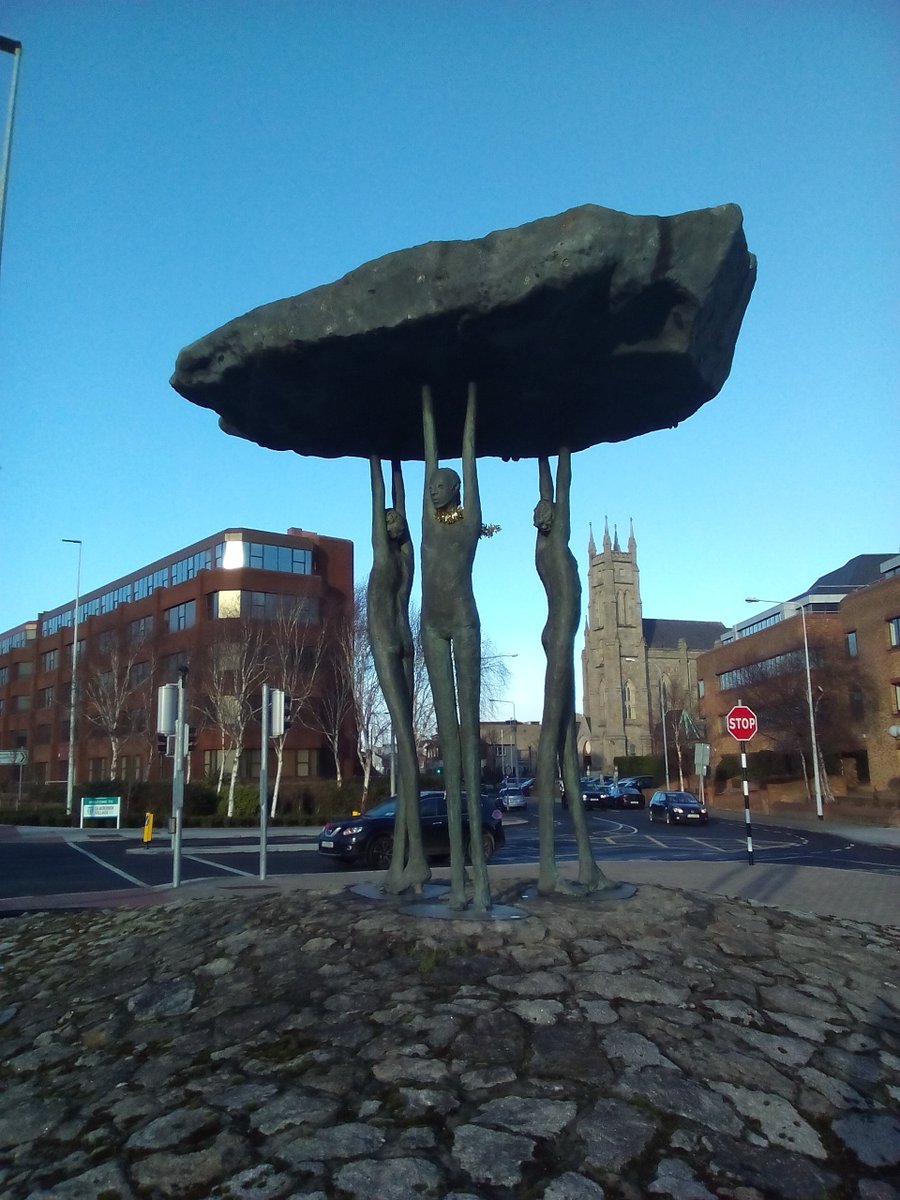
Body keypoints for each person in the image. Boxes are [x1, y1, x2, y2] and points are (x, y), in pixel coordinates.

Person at [420, 382, 491, 912]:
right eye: (434, 485)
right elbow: (431, 453)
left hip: (464, 624)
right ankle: (456, 878)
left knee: (467, 742)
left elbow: (464, 458)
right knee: (447, 739)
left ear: (459, 491)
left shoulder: (467, 522)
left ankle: (481, 878)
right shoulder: (426, 520)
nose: (436, 489)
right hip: (431, 624)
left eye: (444, 485)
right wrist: (427, 401)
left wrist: (467, 401)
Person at [534, 449, 611, 895]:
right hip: (561, 644)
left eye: (547, 510)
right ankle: (549, 869)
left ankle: (586, 864)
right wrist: (557, 448)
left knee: (566, 754)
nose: (546, 513)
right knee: (550, 746)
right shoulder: (551, 544)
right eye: (542, 512)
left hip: (563, 643)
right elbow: (561, 486)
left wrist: (544, 451)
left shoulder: (552, 540)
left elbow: (553, 489)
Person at [368, 457, 429, 894]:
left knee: (407, 740)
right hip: (394, 638)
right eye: (385, 520)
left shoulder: (400, 554)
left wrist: (389, 461)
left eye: (395, 520)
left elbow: (394, 501)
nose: (391, 523)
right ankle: (411, 859)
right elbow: (387, 499)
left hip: (398, 640)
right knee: (405, 741)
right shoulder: (393, 555)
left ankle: (413, 860)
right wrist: (388, 459)